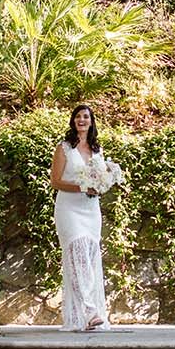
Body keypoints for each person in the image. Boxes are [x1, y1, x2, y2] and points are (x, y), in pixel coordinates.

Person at [50, 104, 110, 332]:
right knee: (77, 254)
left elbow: (101, 178)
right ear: (73, 121)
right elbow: (55, 181)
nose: (82, 120)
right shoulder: (64, 148)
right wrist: (82, 187)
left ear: (91, 121)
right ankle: (90, 310)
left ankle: (80, 317)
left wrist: (99, 187)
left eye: (86, 116)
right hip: (69, 209)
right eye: (78, 116)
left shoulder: (97, 150)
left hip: (91, 211)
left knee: (90, 257)